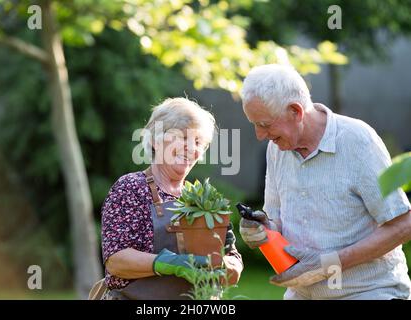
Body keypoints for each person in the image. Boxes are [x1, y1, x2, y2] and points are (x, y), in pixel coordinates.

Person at [238, 64, 411, 300]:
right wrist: (262, 229)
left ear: (295, 111)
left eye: (265, 125)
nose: (259, 135)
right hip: (302, 294)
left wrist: (331, 263)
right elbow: (276, 221)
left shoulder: (357, 141)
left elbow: (403, 224)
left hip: (368, 292)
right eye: (255, 124)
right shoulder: (276, 149)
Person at [99, 97, 243, 300]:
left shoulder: (203, 199)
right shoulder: (131, 188)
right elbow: (116, 261)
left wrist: (228, 266)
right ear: (156, 140)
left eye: (198, 142)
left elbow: (232, 257)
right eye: (183, 138)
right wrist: (171, 263)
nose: (191, 148)